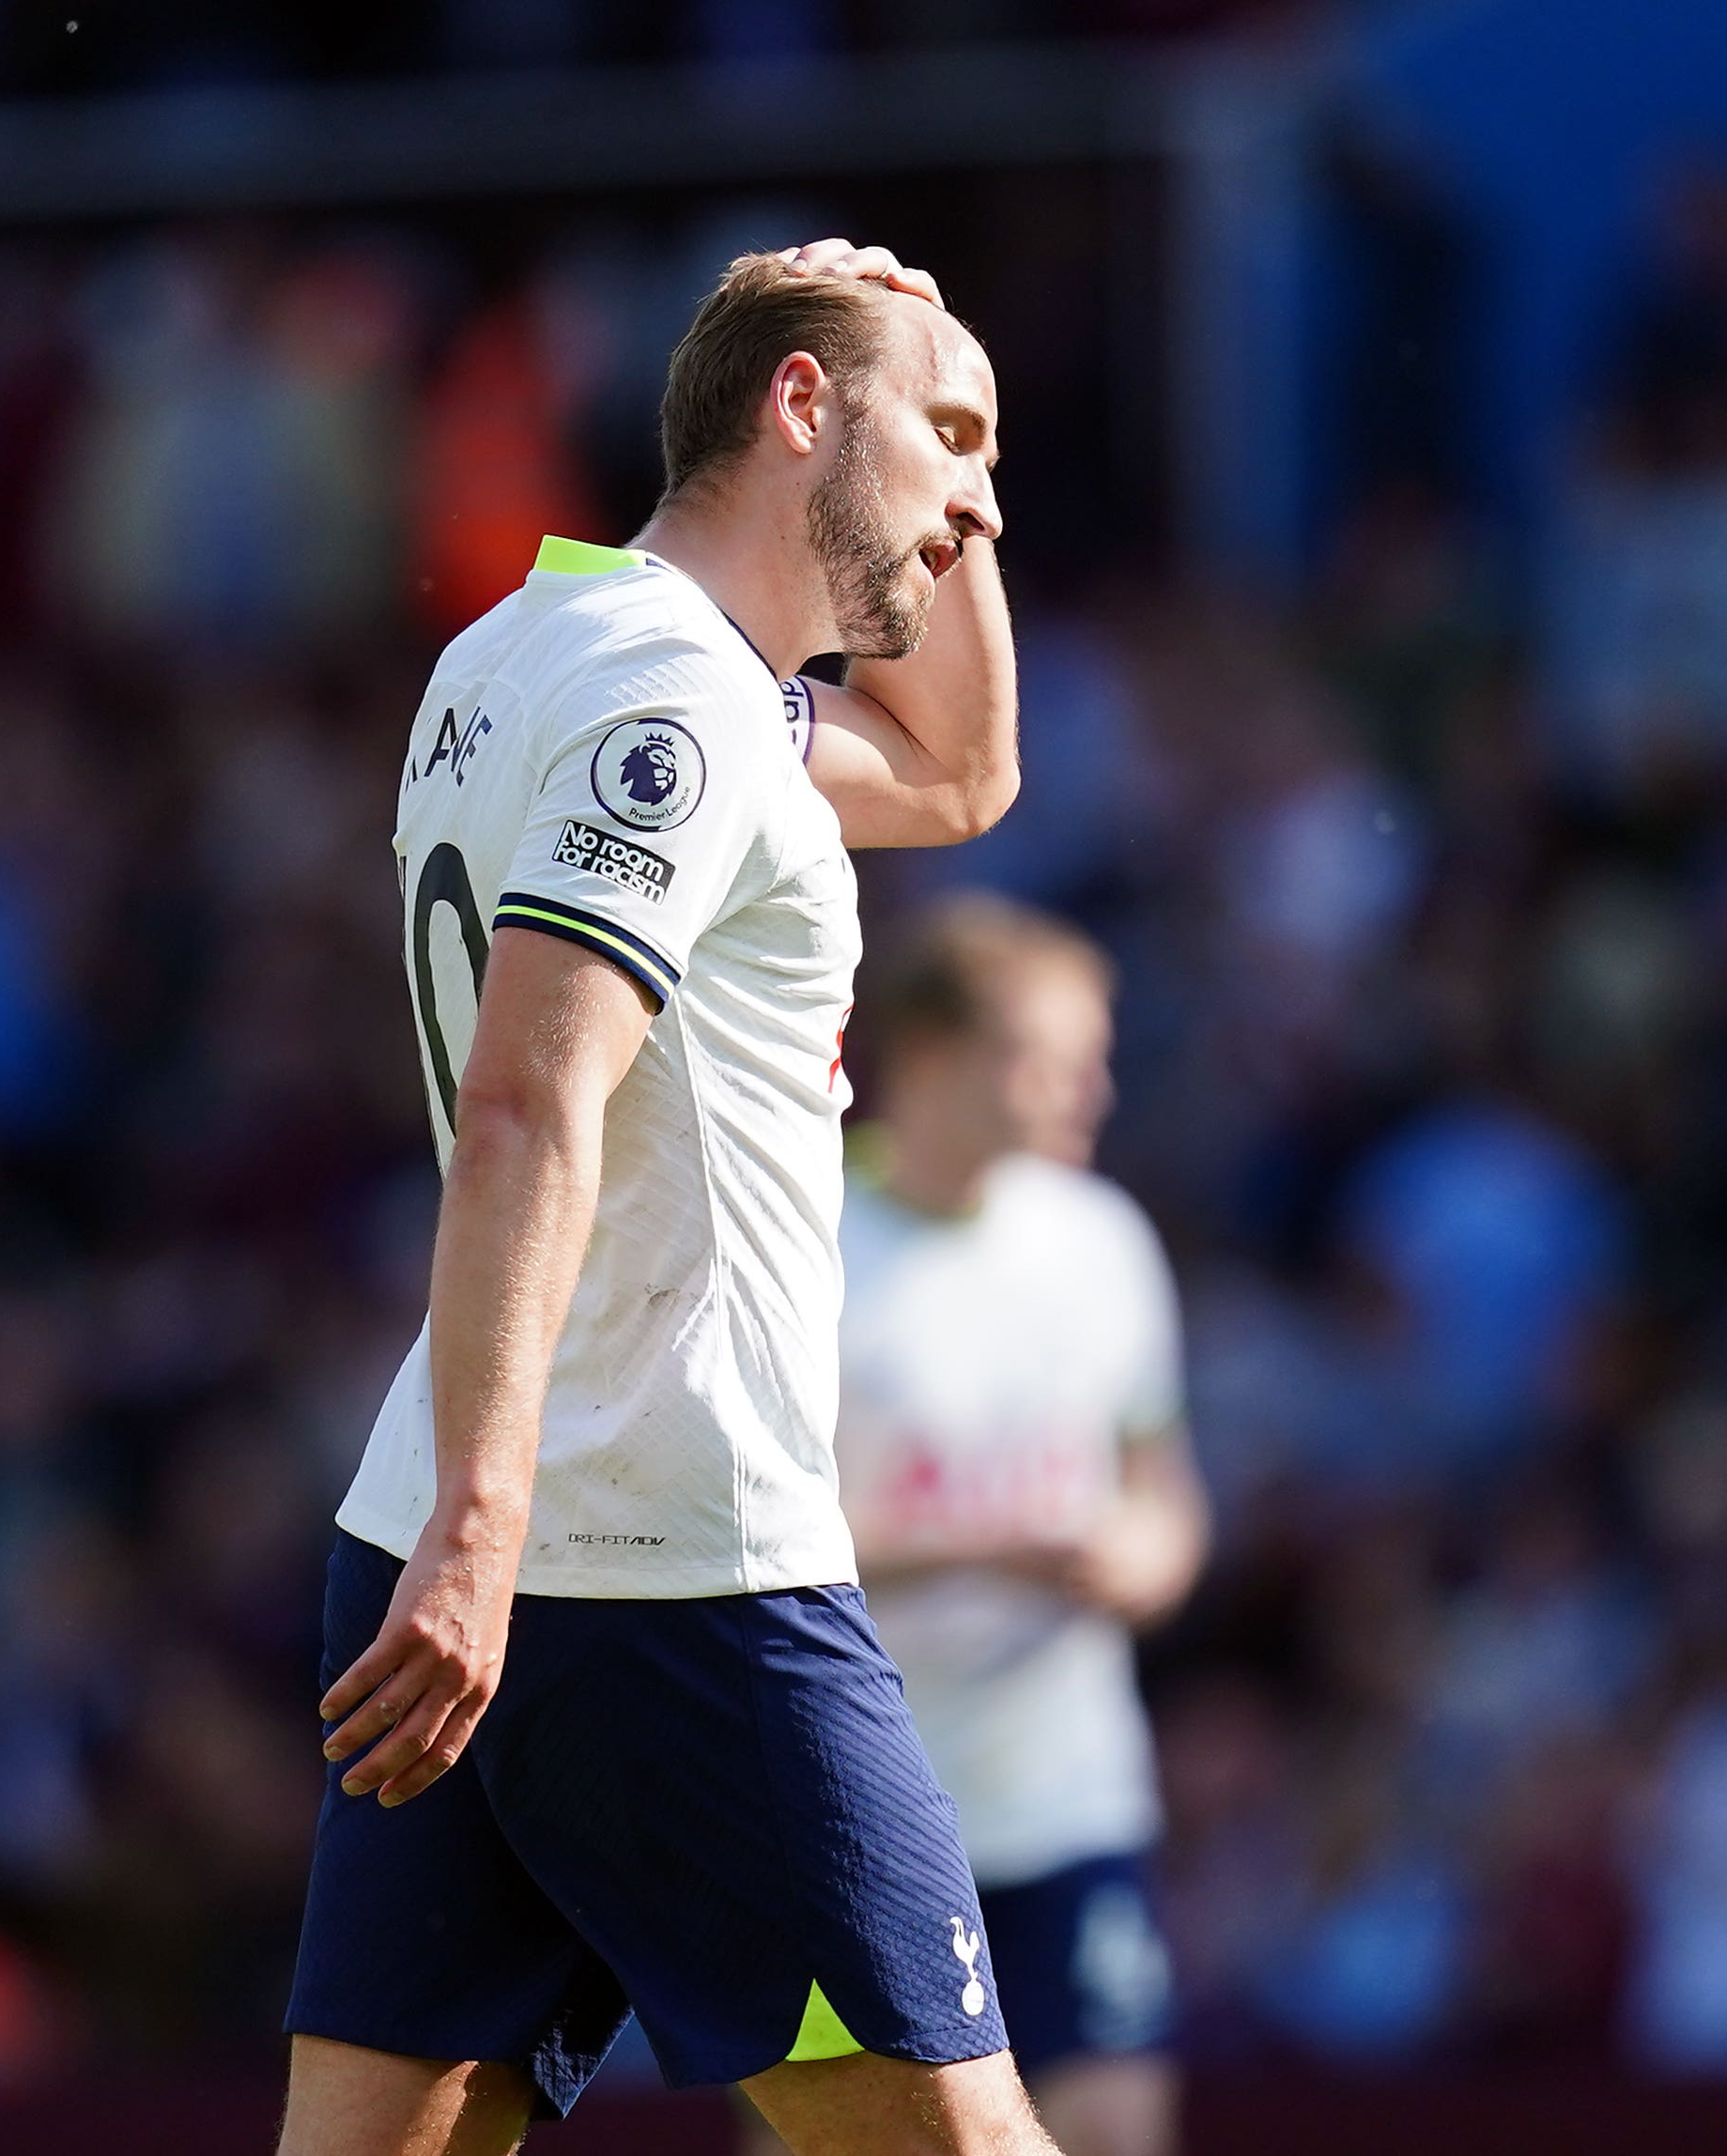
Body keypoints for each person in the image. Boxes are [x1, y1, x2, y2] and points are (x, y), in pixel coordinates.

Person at [282, 240, 1050, 2156]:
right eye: (947, 434)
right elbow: (534, 1099)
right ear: (802, 409)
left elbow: (963, 772)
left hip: (462, 1541)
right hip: (663, 1563)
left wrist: (461, 1531)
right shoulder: (691, 711)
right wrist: (487, 1527)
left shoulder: (532, 652)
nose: (982, 496)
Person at [804, 896, 1206, 2156]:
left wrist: (1149, 1558)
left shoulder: (1102, 1243)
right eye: (1047, 1059)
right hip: (846, 1820)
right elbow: (755, 1547)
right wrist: (998, 1553)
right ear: (926, 1058)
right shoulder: (805, 1245)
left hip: (1064, 1801)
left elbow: (1164, 1488)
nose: (1089, 1093)